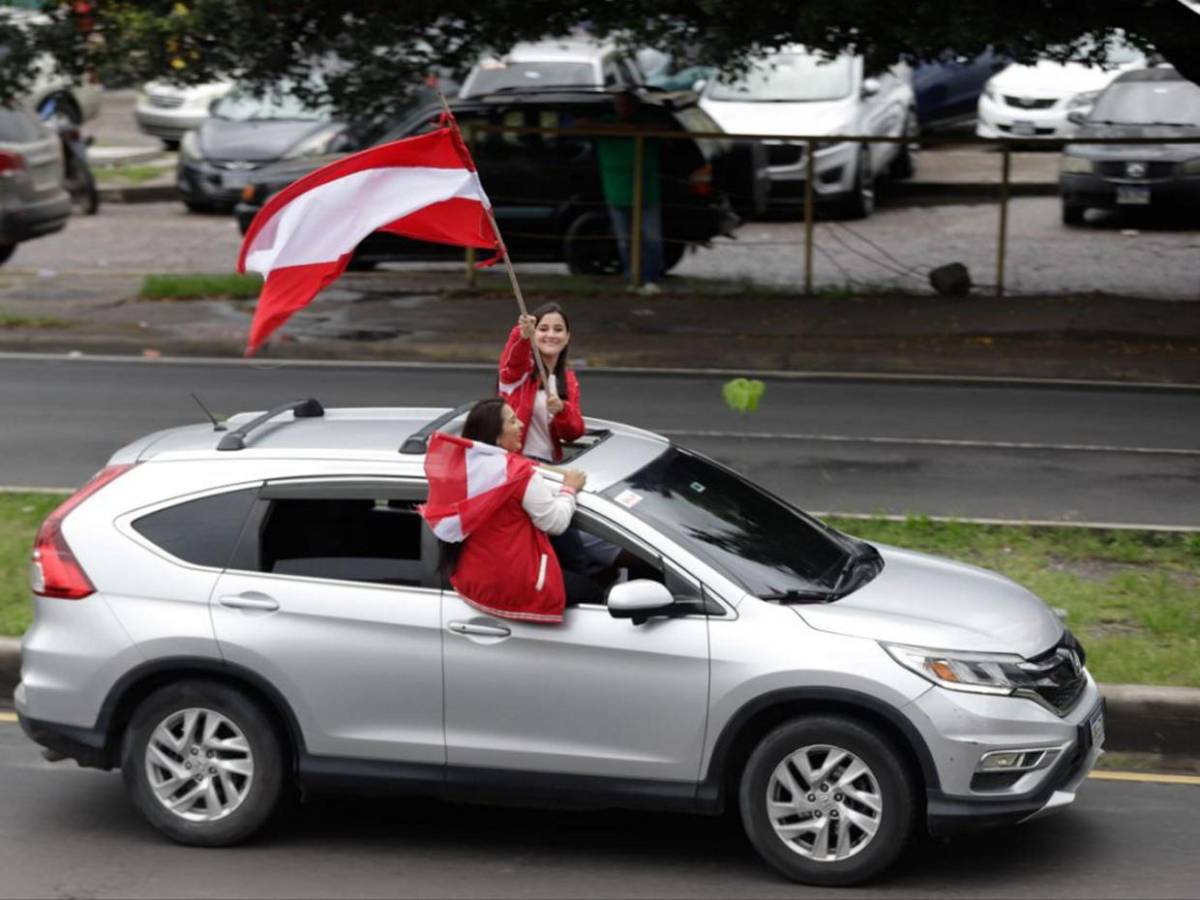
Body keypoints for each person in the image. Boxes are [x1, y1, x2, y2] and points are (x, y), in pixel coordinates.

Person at [424, 397, 601, 621]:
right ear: (496, 436)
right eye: (512, 421)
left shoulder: (465, 469)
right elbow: (555, 522)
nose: (521, 425)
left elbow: (523, 463)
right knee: (595, 592)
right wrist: (569, 489)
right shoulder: (517, 474)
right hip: (516, 586)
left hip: (472, 584)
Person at [591, 91, 665, 290]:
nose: (624, 109)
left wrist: (632, 128)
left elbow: (661, 129)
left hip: (646, 191)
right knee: (624, 240)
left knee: (651, 239)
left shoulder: (646, 124)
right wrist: (616, 127)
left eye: (628, 105)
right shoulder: (606, 123)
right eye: (620, 105)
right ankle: (632, 277)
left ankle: (651, 279)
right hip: (617, 191)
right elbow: (578, 124)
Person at [497, 302, 584, 463]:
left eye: (558, 329)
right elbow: (511, 363)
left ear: (567, 337)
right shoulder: (520, 373)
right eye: (543, 329)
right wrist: (521, 335)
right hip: (514, 464)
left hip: (549, 467)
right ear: (532, 333)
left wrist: (562, 410)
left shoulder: (568, 380)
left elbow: (574, 433)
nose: (551, 335)